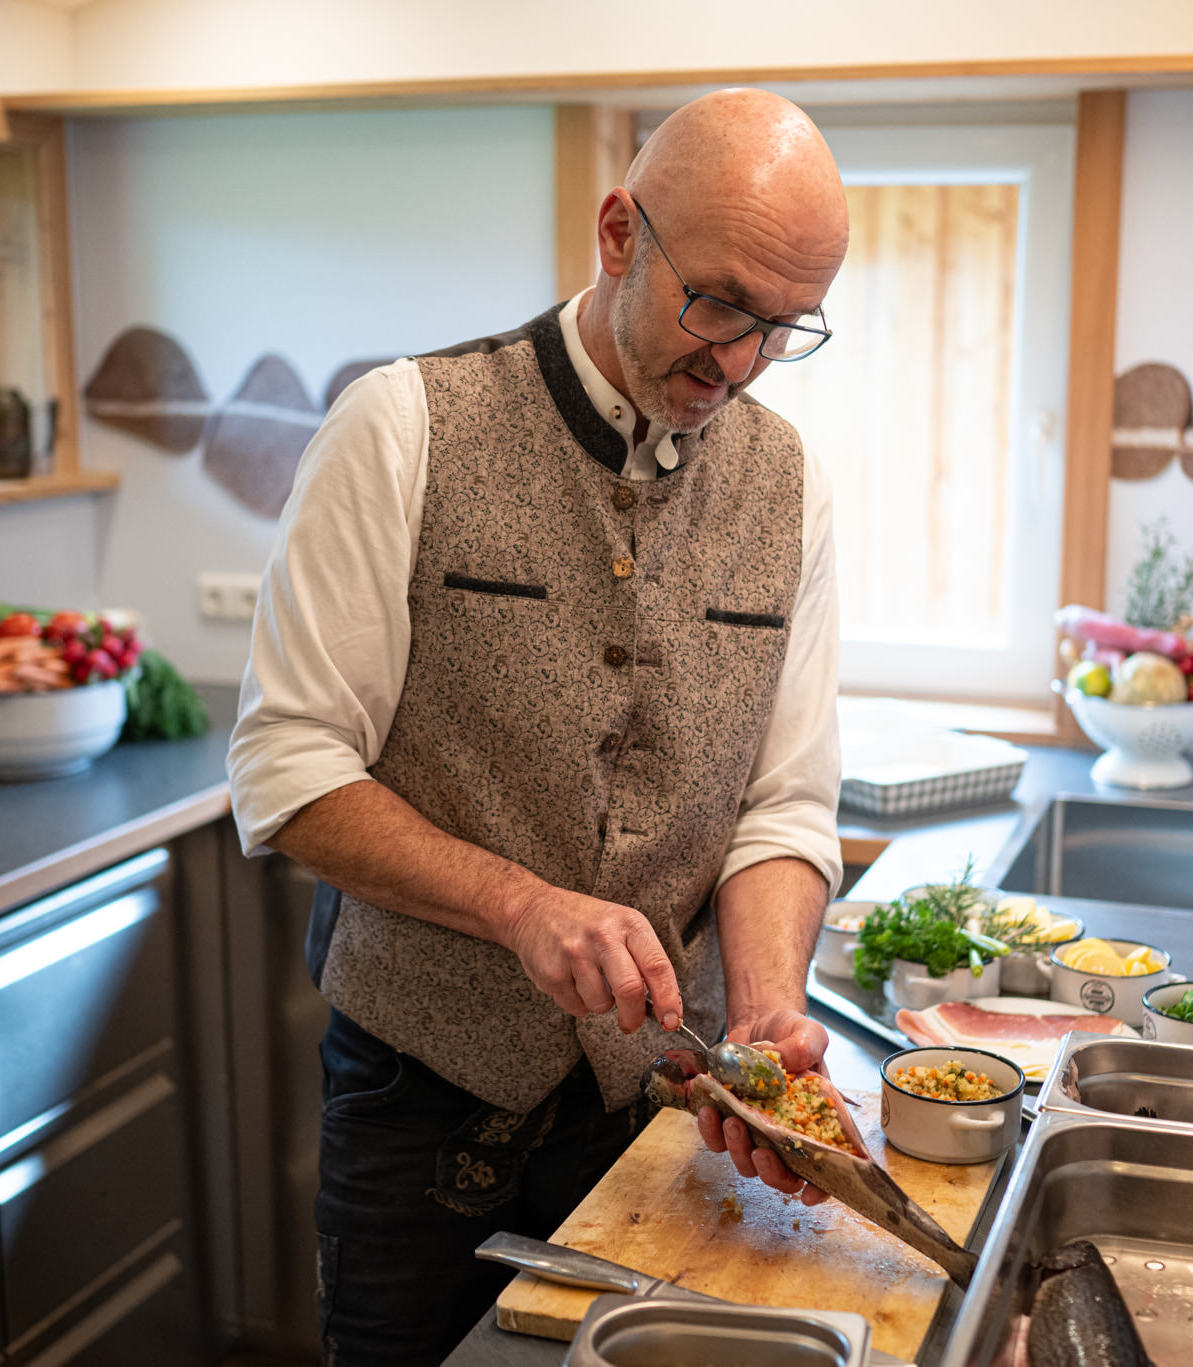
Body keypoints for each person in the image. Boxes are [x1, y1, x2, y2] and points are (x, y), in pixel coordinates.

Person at [226, 87, 851, 1365]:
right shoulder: (402, 424)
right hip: (420, 1099)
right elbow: (286, 768)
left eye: (783, 327)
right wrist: (518, 903)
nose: (737, 360)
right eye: (719, 302)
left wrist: (765, 1025)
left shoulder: (791, 484)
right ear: (619, 233)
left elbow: (782, 804)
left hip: (656, 1103)